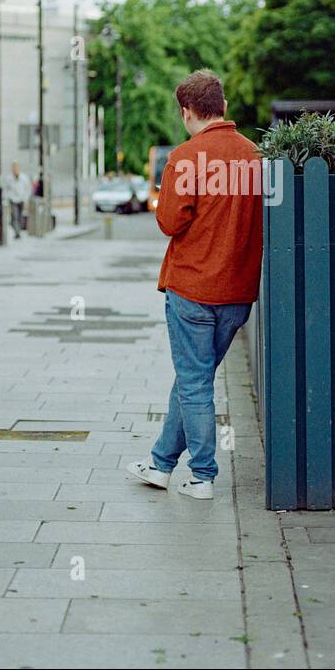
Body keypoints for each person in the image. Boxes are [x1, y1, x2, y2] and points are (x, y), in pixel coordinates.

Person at [127, 69, 263, 500]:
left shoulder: (185, 158)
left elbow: (169, 222)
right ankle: (161, 464)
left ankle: (203, 475)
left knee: (195, 382)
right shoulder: (254, 157)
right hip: (238, 291)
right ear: (222, 106)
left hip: (193, 288)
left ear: (187, 111)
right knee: (195, 378)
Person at [2, 161, 32, 239]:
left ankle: (18, 230)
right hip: (12, 199)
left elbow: (28, 189)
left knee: (20, 216)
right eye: (13, 168)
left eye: (16, 168)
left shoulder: (24, 177)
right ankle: (17, 232)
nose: (15, 169)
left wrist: (26, 200)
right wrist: (6, 198)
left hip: (22, 199)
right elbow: (5, 189)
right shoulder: (9, 178)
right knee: (14, 216)